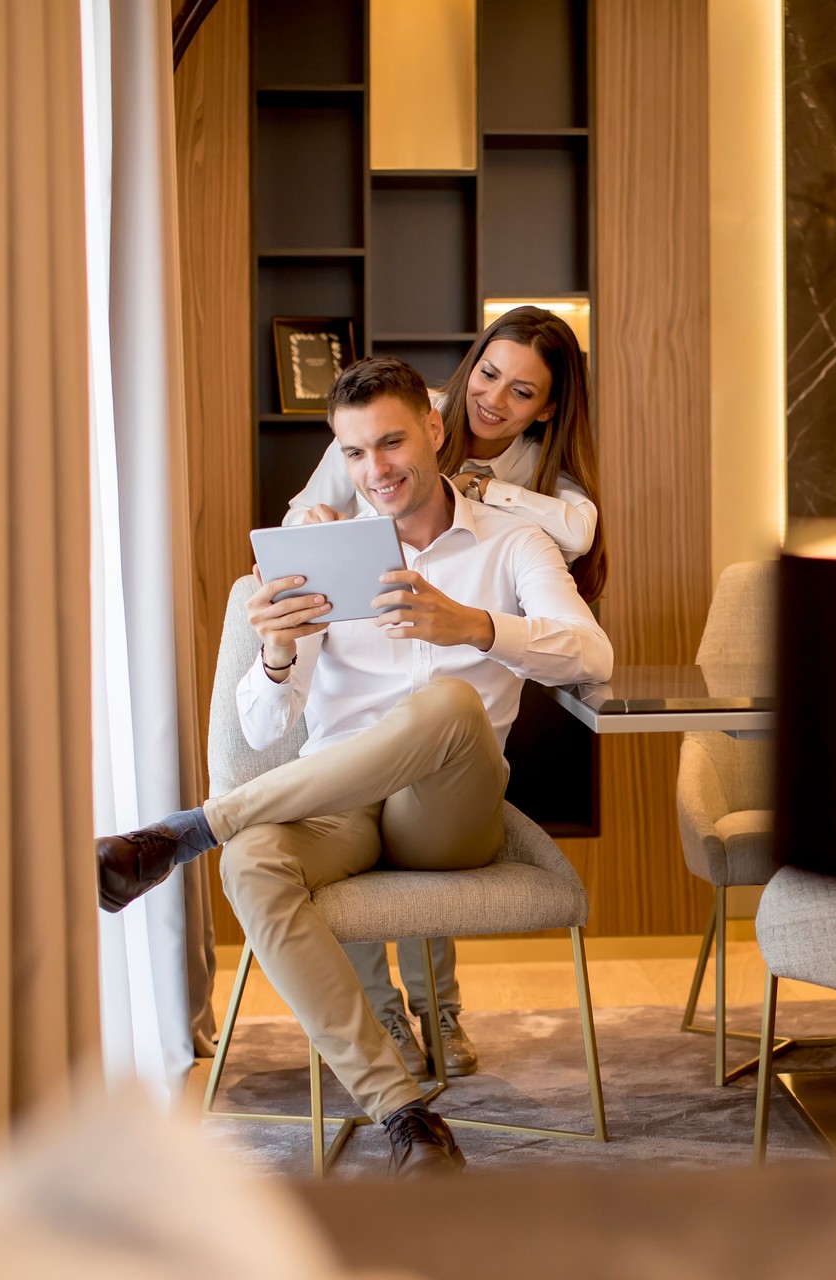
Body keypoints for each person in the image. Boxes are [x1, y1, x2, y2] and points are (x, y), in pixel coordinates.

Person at [95, 357, 612, 1176]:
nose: (377, 469)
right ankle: (404, 1115)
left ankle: (190, 829)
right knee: (256, 863)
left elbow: (592, 652)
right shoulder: (318, 556)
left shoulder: (512, 545)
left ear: (436, 429)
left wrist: (475, 626)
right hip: (339, 802)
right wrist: (274, 655)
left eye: (393, 442)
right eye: (357, 452)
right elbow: (269, 724)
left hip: (447, 816)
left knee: (446, 707)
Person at [282, 307, 607, 1082]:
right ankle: (384, 1015)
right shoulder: (389, 420)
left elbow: (579, 534)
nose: (494, 399)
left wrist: (483, 504)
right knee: (356, 780)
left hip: (463, 696)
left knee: (442, 722)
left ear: (548, 408)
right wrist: (318, 526)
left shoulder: (526, 494)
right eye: (488, 375)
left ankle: (437, 1007)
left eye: (521, 392)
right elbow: (303, 514)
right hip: (357, 731)